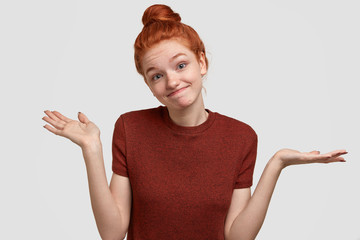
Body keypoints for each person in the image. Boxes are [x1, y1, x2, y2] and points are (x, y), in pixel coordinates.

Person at [42, 4, 347, 240]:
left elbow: (237, 236)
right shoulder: (130, 128)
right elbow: (112, 233)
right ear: (149, 86)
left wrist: (277, 163)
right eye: (157, 75)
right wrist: (91, 148)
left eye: (181, 64)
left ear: (202, 62)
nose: (171, 81)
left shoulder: (241, 137)